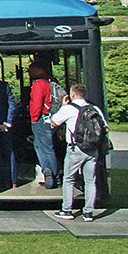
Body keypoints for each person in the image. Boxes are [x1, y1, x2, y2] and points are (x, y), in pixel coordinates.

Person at [50, 84, 106, 222]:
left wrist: (62, 107)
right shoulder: (94, 109)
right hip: (92, 149)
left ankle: (67, 210)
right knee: (90, 181)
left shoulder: (68, 109)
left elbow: (53, 123)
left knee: (69, 179)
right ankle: (88, 213)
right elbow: (105, 127)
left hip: (76, 148)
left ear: (73, 95)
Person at [27, 63, 61, 189]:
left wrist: (34, 119)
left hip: (41, 120)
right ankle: (52, 174)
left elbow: (36, 104)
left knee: (45, 148)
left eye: (30, 70)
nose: (29, 73)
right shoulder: (50, 81)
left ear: (37, 69)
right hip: (49, 119)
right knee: (43, 146)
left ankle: (50, 175)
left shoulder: (39, 84)